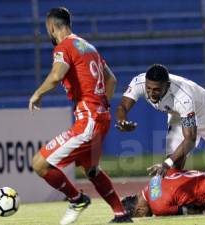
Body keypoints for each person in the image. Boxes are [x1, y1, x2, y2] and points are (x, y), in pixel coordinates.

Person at [29, 7, 132, 224]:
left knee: (39, 164)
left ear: (51, 26)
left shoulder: (64, 47)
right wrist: (102, 103)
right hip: (101, 116)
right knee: (91, 170)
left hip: (89, 119)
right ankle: (121, 214)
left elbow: (56, 76)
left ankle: (77, 199)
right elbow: (111, 79)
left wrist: (37, 94)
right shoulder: (88, 46)